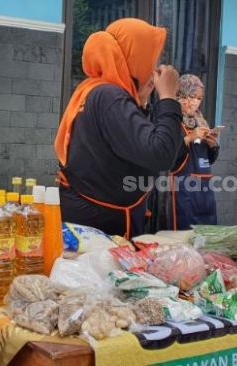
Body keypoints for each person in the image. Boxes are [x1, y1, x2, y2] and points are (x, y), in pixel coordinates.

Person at [54, 18, 183, 238]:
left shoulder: (98, 91)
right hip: (99, 231)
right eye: (151, 60)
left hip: (97, 222)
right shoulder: (109, 96)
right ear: (134, 59)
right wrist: (169, 97)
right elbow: (161, 154)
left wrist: (142, 104)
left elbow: (173, 154)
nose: (154, 70)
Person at [166, 74, 220, 229]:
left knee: (208, 241)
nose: (195, 102)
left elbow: (208, 160)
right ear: (180, 95)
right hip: (184, 195)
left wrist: (212, 145)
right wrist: (190, 137)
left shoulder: (201, 121)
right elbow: (169, 158)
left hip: (205, 196)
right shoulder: (171, 122)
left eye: (199, 98)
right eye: (191, 96)